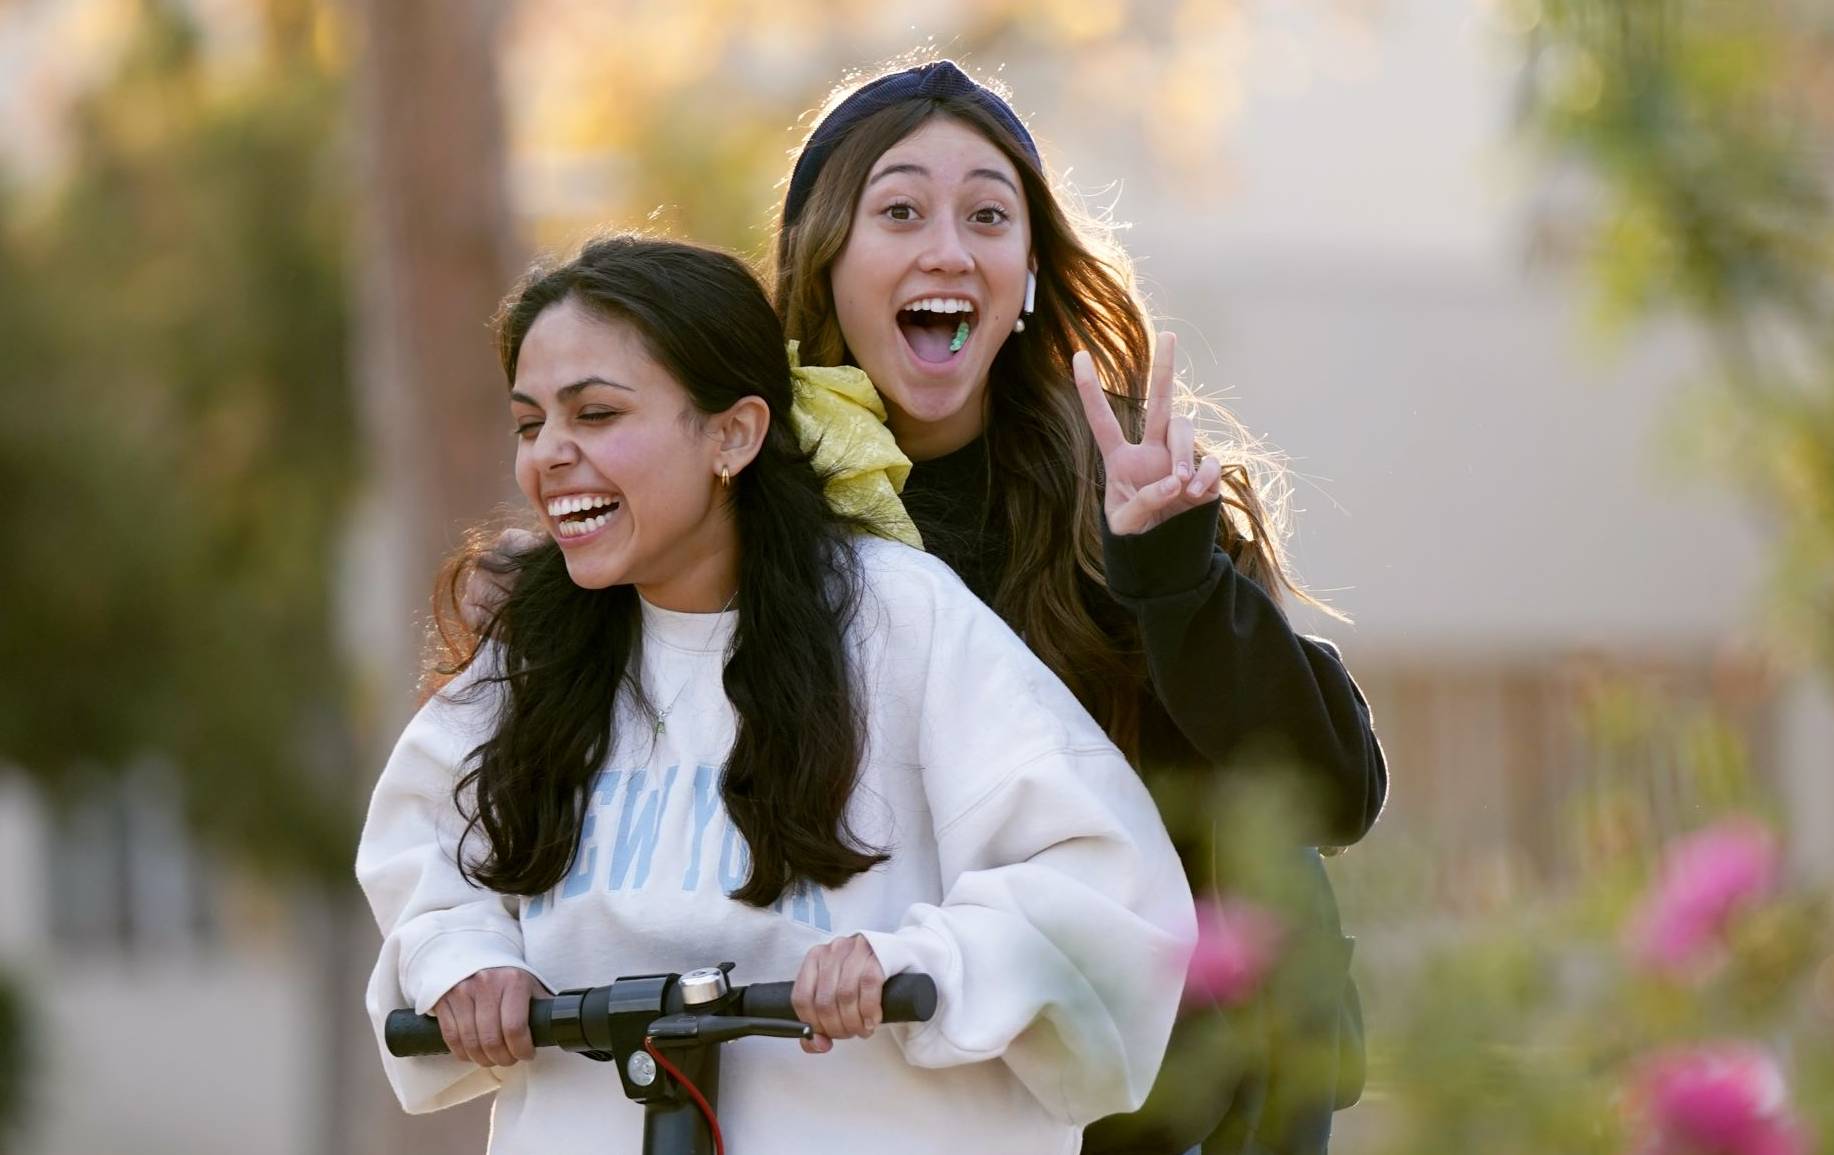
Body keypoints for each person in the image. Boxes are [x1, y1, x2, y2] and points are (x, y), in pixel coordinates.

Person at [469, 60, 1389, 1153]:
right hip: (858, 1088)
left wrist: (1178, 581)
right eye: (899, 210)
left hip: (1150, 1089)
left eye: (988, 216)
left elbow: (1328, 796)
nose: (947, 248)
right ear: (825, 263)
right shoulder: (735, 508)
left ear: (1031, 272)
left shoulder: (1128, 494)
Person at [357, 234, 1196, 1155]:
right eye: (530, 424)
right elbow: (421, 849)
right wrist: (461, 961)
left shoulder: (897, 618)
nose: (548, 456)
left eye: (595, 414)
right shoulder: (534, 652)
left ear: (735, 433)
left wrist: (915, 961)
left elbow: (1103, 876)